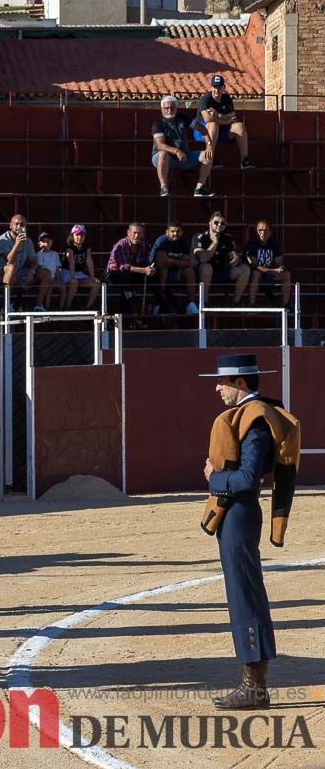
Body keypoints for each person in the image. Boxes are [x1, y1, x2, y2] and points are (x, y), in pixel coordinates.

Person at [199, 354, 297, 710]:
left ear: (240, 384)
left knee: (245, 597)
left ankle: (253, 687)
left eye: (222, 382)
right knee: (246, 593)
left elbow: (246, 478)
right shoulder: (253, 415)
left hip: (239, 513)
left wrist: (214, 477)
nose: (217, 387)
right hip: (238, 514)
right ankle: (254, 684)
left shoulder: (254, 421)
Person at [151, 95, 211, 199]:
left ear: (176, 108)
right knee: (163, 154)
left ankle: (200, 187)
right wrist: (177, 151)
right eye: (166, 108)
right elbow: (160, 145)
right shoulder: (158, 123)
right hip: (164, 159)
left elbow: (202, 129)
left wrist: (209, 145)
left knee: (207, 156)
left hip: (184, 157)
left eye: (172, 108)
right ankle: (164, 187)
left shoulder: (183, 118)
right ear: (162, 109)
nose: (169, 110)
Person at [0, 214, 50, 312]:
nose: (19, 226)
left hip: (18, 271)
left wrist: (32, 271)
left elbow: (34, 261)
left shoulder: (28, 241)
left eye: (22, 224)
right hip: (0, 273)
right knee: (11, 268)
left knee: (45, 273)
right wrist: (17, 244)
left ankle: (39, 305)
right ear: (10, 225)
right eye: (16, 224)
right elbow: (9, 260)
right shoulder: (3, 240)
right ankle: (6, 306)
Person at [195, 75, 254, 171]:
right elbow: (207, 119)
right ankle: (210, 158)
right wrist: (225, 119)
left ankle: (245, 160)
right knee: (213, 125)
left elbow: (233, 117)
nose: (217, 90)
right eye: (215, 87)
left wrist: (217, 115)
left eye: (219, 87)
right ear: (211, 87)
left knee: (239, 126)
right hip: (202, 131)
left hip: (220, 130)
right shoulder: (205, 98)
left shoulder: (227, 99)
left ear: (224, 88)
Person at [194, 212, 250, 306]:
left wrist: (236, 259)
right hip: (203, 274)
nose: (219, 225)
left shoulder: (227, 237)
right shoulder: (200, 237)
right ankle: (204, 303)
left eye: (222, 223)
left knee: (245, 269)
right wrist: (215, 242)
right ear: (210, 223)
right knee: (206, 267)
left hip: (221, 271)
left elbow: (234, 254)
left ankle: (235, 303)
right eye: (216, 222)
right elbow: (203, 259)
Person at [106, 222, 157, 316]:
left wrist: (150, 269)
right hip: (115, 274)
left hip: (133, 273)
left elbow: (143, 262)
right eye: (134, 233)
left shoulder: (142, 246)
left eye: (139, 233)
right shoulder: (121, 245)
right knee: (126, 277)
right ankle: (129, 315)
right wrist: (144, 270)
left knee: (155, 277)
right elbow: (124, 267)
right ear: (128, 233)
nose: (136, 236)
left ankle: (155, 307)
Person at [149, 222, 199, 315]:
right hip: (156, 274)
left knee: (190, 271)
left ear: (182, 232)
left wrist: (169, 260)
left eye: (178, 231)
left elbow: (189, 262)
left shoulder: (183, 241)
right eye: (172, 231)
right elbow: (161, 263)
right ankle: (159, 304)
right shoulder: (162, 241)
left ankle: (191, 304)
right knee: (164, 270)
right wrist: (180, 260)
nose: (175, 234)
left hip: (175, 272)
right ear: (167, 232)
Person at [245, 220, 292, 308]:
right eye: (260, 230)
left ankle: (286, 305)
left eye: (265, 230)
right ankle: (252, 304)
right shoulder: (251, 244)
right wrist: (272, 270)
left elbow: (279, 262)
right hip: (255, 274)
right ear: (256, 231)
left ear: (270, 232)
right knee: (256, 273)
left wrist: (280, 268)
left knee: (286, 274)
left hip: (270, 274)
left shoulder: (274, 244)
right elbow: (254, 265)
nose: (263, 233)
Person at [60, 224, 101, 311]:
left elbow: (89, 261)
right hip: (66, 272)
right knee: (74, 282)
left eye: (82, 234)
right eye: (77, 234)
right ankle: (67, 306)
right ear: (72, 235)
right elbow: (71, 263)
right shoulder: (69, 246)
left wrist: (92, 276)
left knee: (96, 284)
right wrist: (72, 277)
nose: (80, 237)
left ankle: (88, 308)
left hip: (79, 273)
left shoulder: (86, 246)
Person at [34, 232, 63, 310]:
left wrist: (57, 279)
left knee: (63, 288)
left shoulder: (55, 254)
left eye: (48, 241)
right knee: (48, 285)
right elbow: (40, 267)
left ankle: (63, 307)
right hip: (45, 278)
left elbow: (57, 268)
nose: (46, 243)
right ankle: (47, 306)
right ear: (40, 243)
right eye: (44, 241)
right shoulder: (39, 254)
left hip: (53, 278)